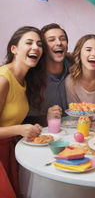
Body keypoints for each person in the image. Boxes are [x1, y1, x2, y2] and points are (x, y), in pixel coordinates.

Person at [0, 26, 46, 196]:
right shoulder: (3, 79)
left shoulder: (25, 80)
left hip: (9, 150)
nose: (36, 47)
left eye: (39, 44)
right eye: (29, 42)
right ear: (14, 49)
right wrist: (19, 129)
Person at [25, 23, 72, 126]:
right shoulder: (31, 75)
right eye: (51, 40)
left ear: (67, 45)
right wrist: (46, 118)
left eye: (62, 39)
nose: (59, 42)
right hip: (45, 133)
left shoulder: (76, 67)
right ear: (43, 47)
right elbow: (25, 119)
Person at [65, 34, 95, 108]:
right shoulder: (70, 81)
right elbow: (74, 112)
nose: (94, 54)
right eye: (88, 50)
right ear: (79, 53)